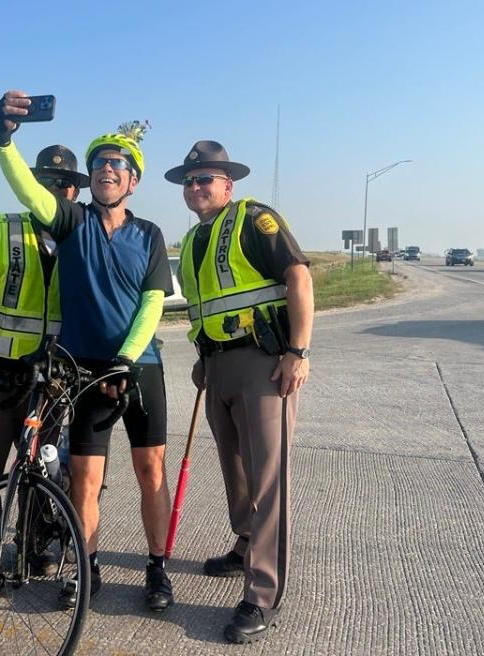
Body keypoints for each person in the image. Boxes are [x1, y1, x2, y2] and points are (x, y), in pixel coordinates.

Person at [0, 92, 176, 613]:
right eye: (97, 164)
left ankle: (157, 568)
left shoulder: (150, 234)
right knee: (86, 478)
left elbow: (153, 303)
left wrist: (127, 355)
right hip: (85, 370)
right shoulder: (72, 221)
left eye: (116, 164)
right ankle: (86, 568)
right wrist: (4, 140)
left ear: (132, 179)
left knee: (151, 470)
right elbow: (26, 188)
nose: (105, 170)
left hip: (139, 368)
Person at [164, 140, 313, 643]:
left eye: (205, 178)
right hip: (219, 366)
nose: (195, 187)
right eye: (189, 180)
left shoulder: (255, 219)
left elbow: (298, 278)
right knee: (235, 467)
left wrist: (299, 352)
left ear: (228, 184)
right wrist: (204, 358)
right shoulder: (195, 241)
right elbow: (205, 309)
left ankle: (262, 594)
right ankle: (246, 543)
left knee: (268, 477)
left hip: (265, 365)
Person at [0, 144, 87, 604]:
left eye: (64, 184)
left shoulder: (82, 236)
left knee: (45, 471)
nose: (56, 190)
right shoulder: (3, 229)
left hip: (49, 383)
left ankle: (35, 546)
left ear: (73, 191)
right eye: (45, 181)